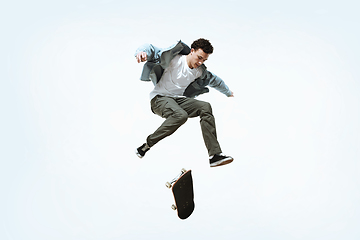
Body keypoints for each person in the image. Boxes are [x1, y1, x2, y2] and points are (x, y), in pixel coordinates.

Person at [134, 38, 234, 167]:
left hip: (177, 100)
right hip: (159, 99)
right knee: (181, 115)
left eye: (204, 60)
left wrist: (227, 92)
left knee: (205, 107)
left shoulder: (199, 72)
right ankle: (147, 144)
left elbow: (215, 80)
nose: (200, 62)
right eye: (199, 58)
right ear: (192, 51)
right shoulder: (173, 58)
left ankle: (214, 155)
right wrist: (142, 52)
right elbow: (152, 49)